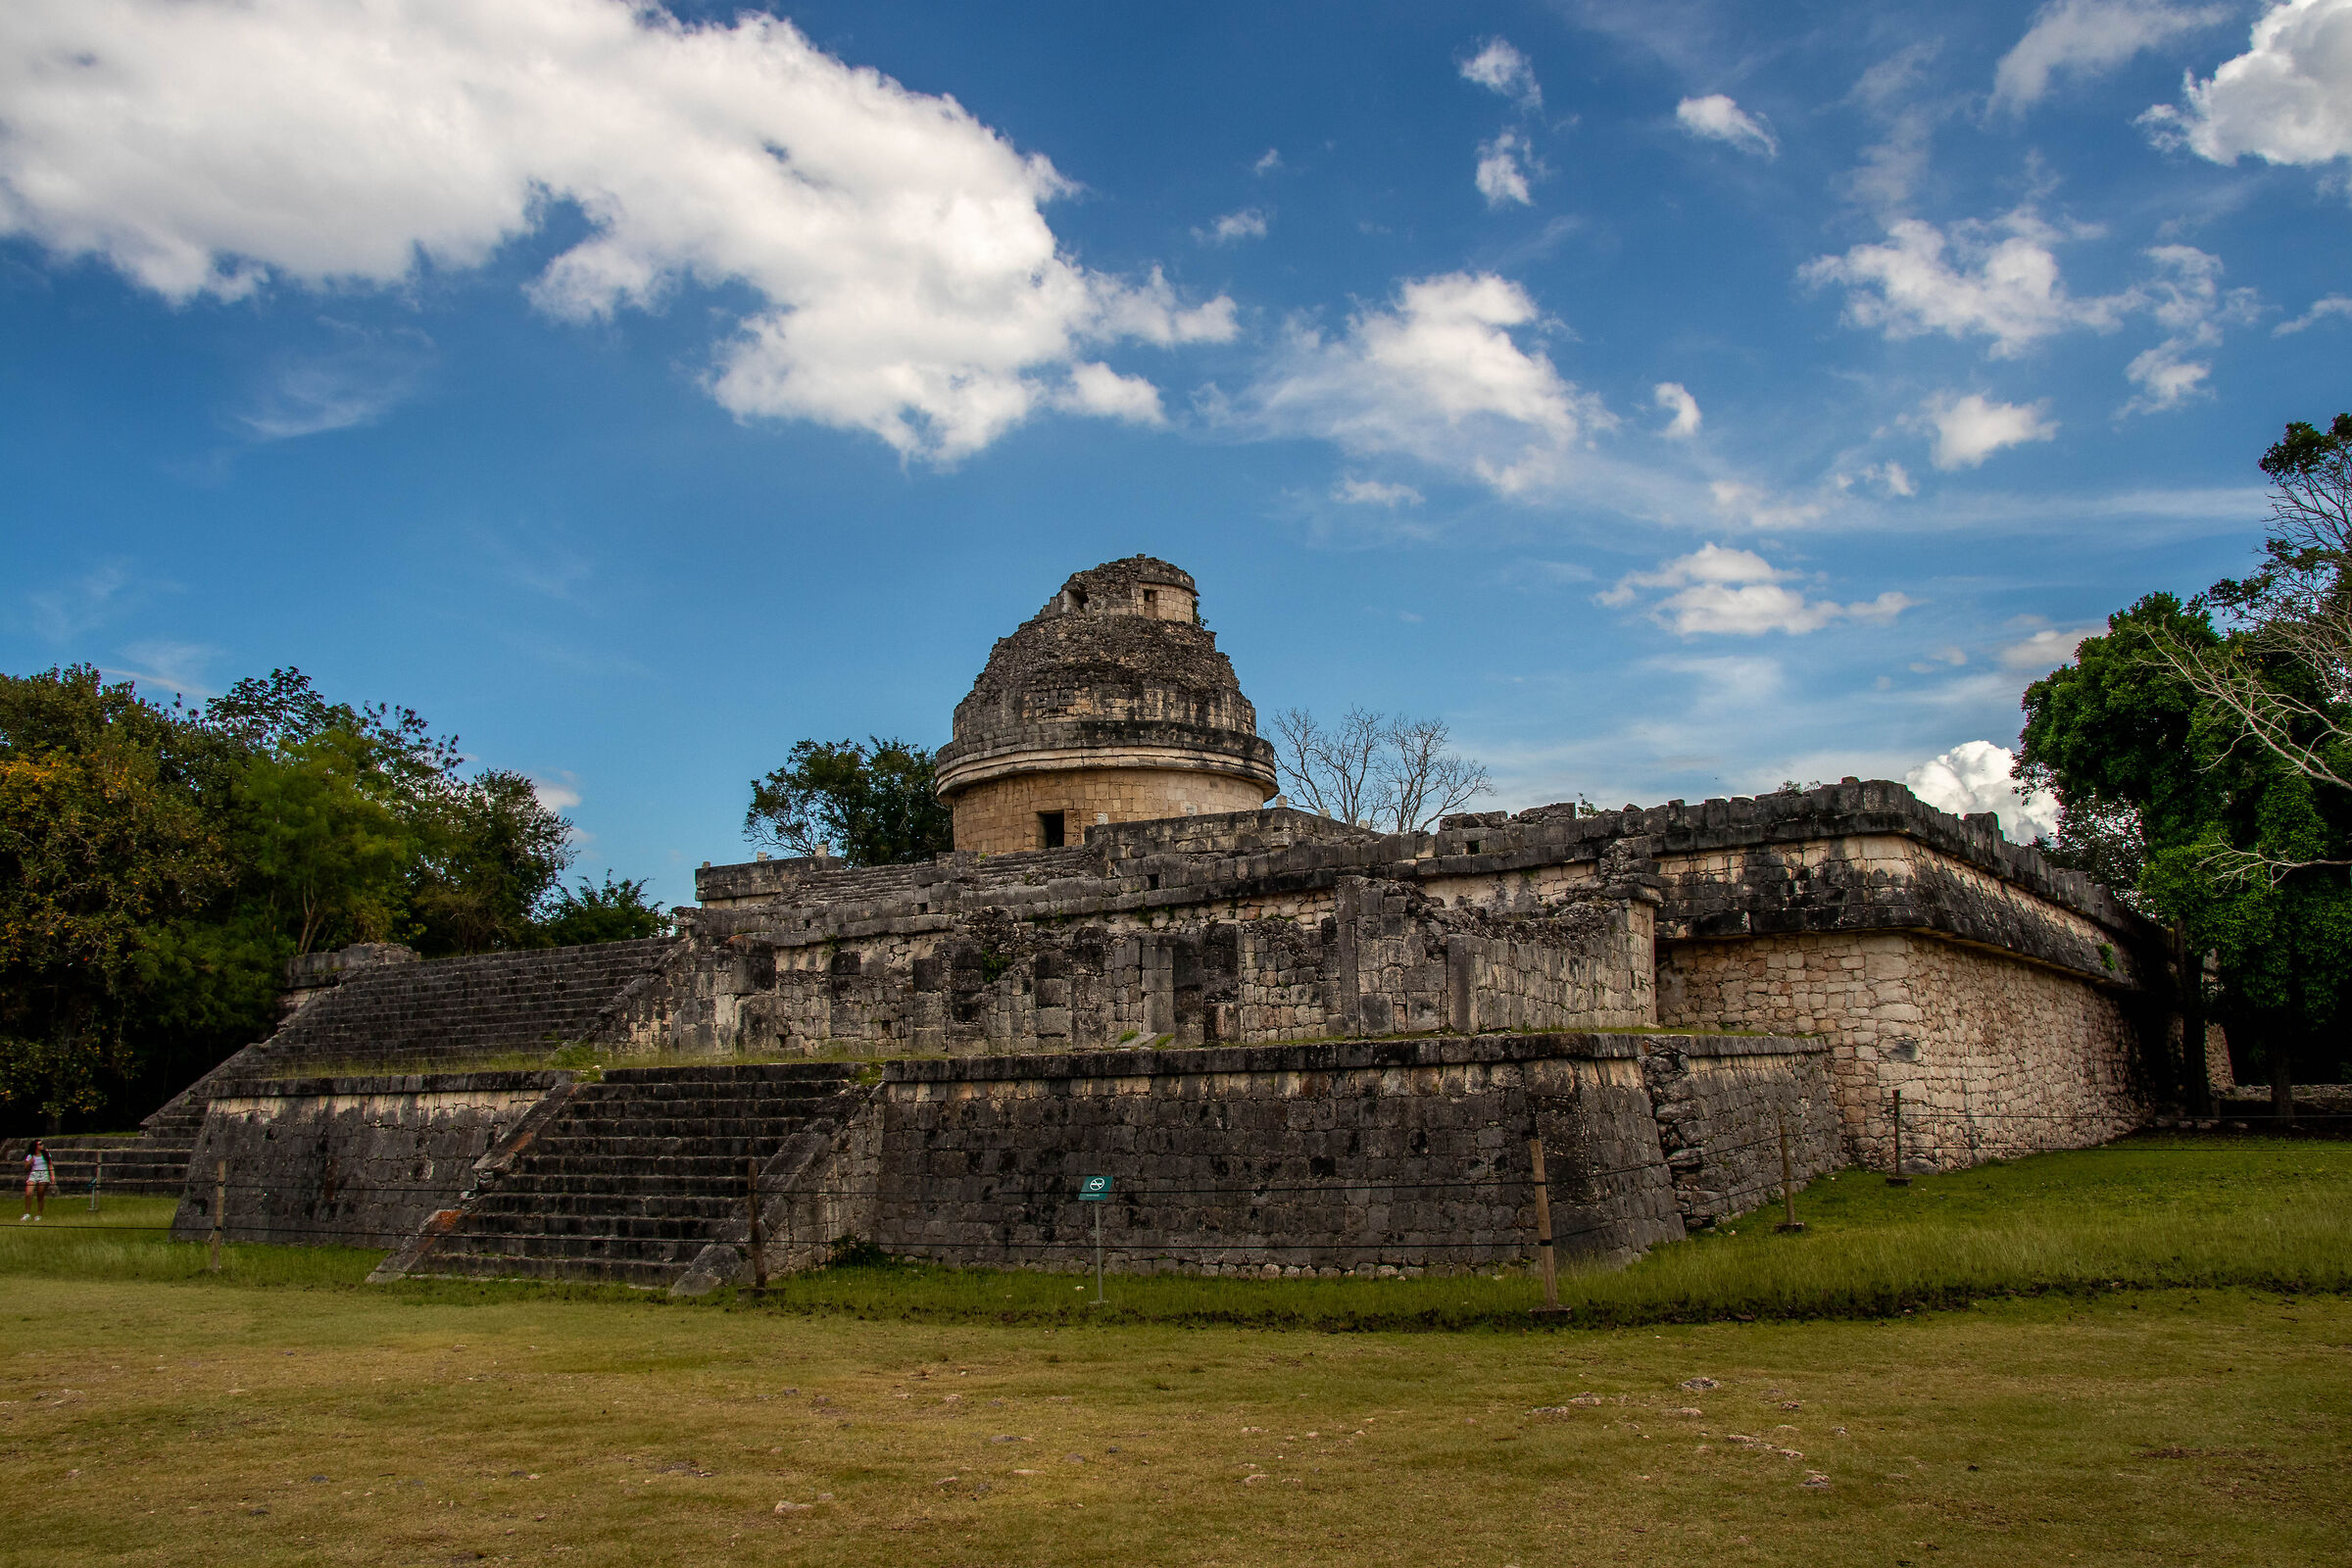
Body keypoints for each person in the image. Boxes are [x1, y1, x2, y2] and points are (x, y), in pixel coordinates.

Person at [21, 1140, 53, 1222]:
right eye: (40, 1144)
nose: (42, 1145)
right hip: (34, 1174)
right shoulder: (31, 1156)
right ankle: (27, 1213)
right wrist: (29, 1162)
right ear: (36, 1146)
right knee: (28, 1193)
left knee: (40, 1194)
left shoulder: (46, 1155)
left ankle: (39, 1214)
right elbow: (26, 1168)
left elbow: (50, 1165)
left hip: (44, 1174)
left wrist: (52, 1176)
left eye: (42, 1144)